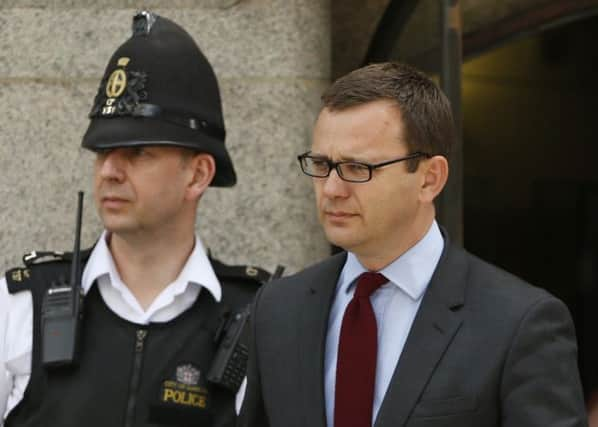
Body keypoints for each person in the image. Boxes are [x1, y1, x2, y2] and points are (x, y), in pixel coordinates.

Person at [238, 62, 588, 427]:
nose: (331, 189)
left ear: (429, 179)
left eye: (358, 168)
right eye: (322, 164)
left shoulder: (519, 323)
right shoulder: (277, 309)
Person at [0, 11, 269, 427]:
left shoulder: (260, 318)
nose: (110, 171)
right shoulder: (19, 306)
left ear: (197, 175)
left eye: (138, 153)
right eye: (103, 153)